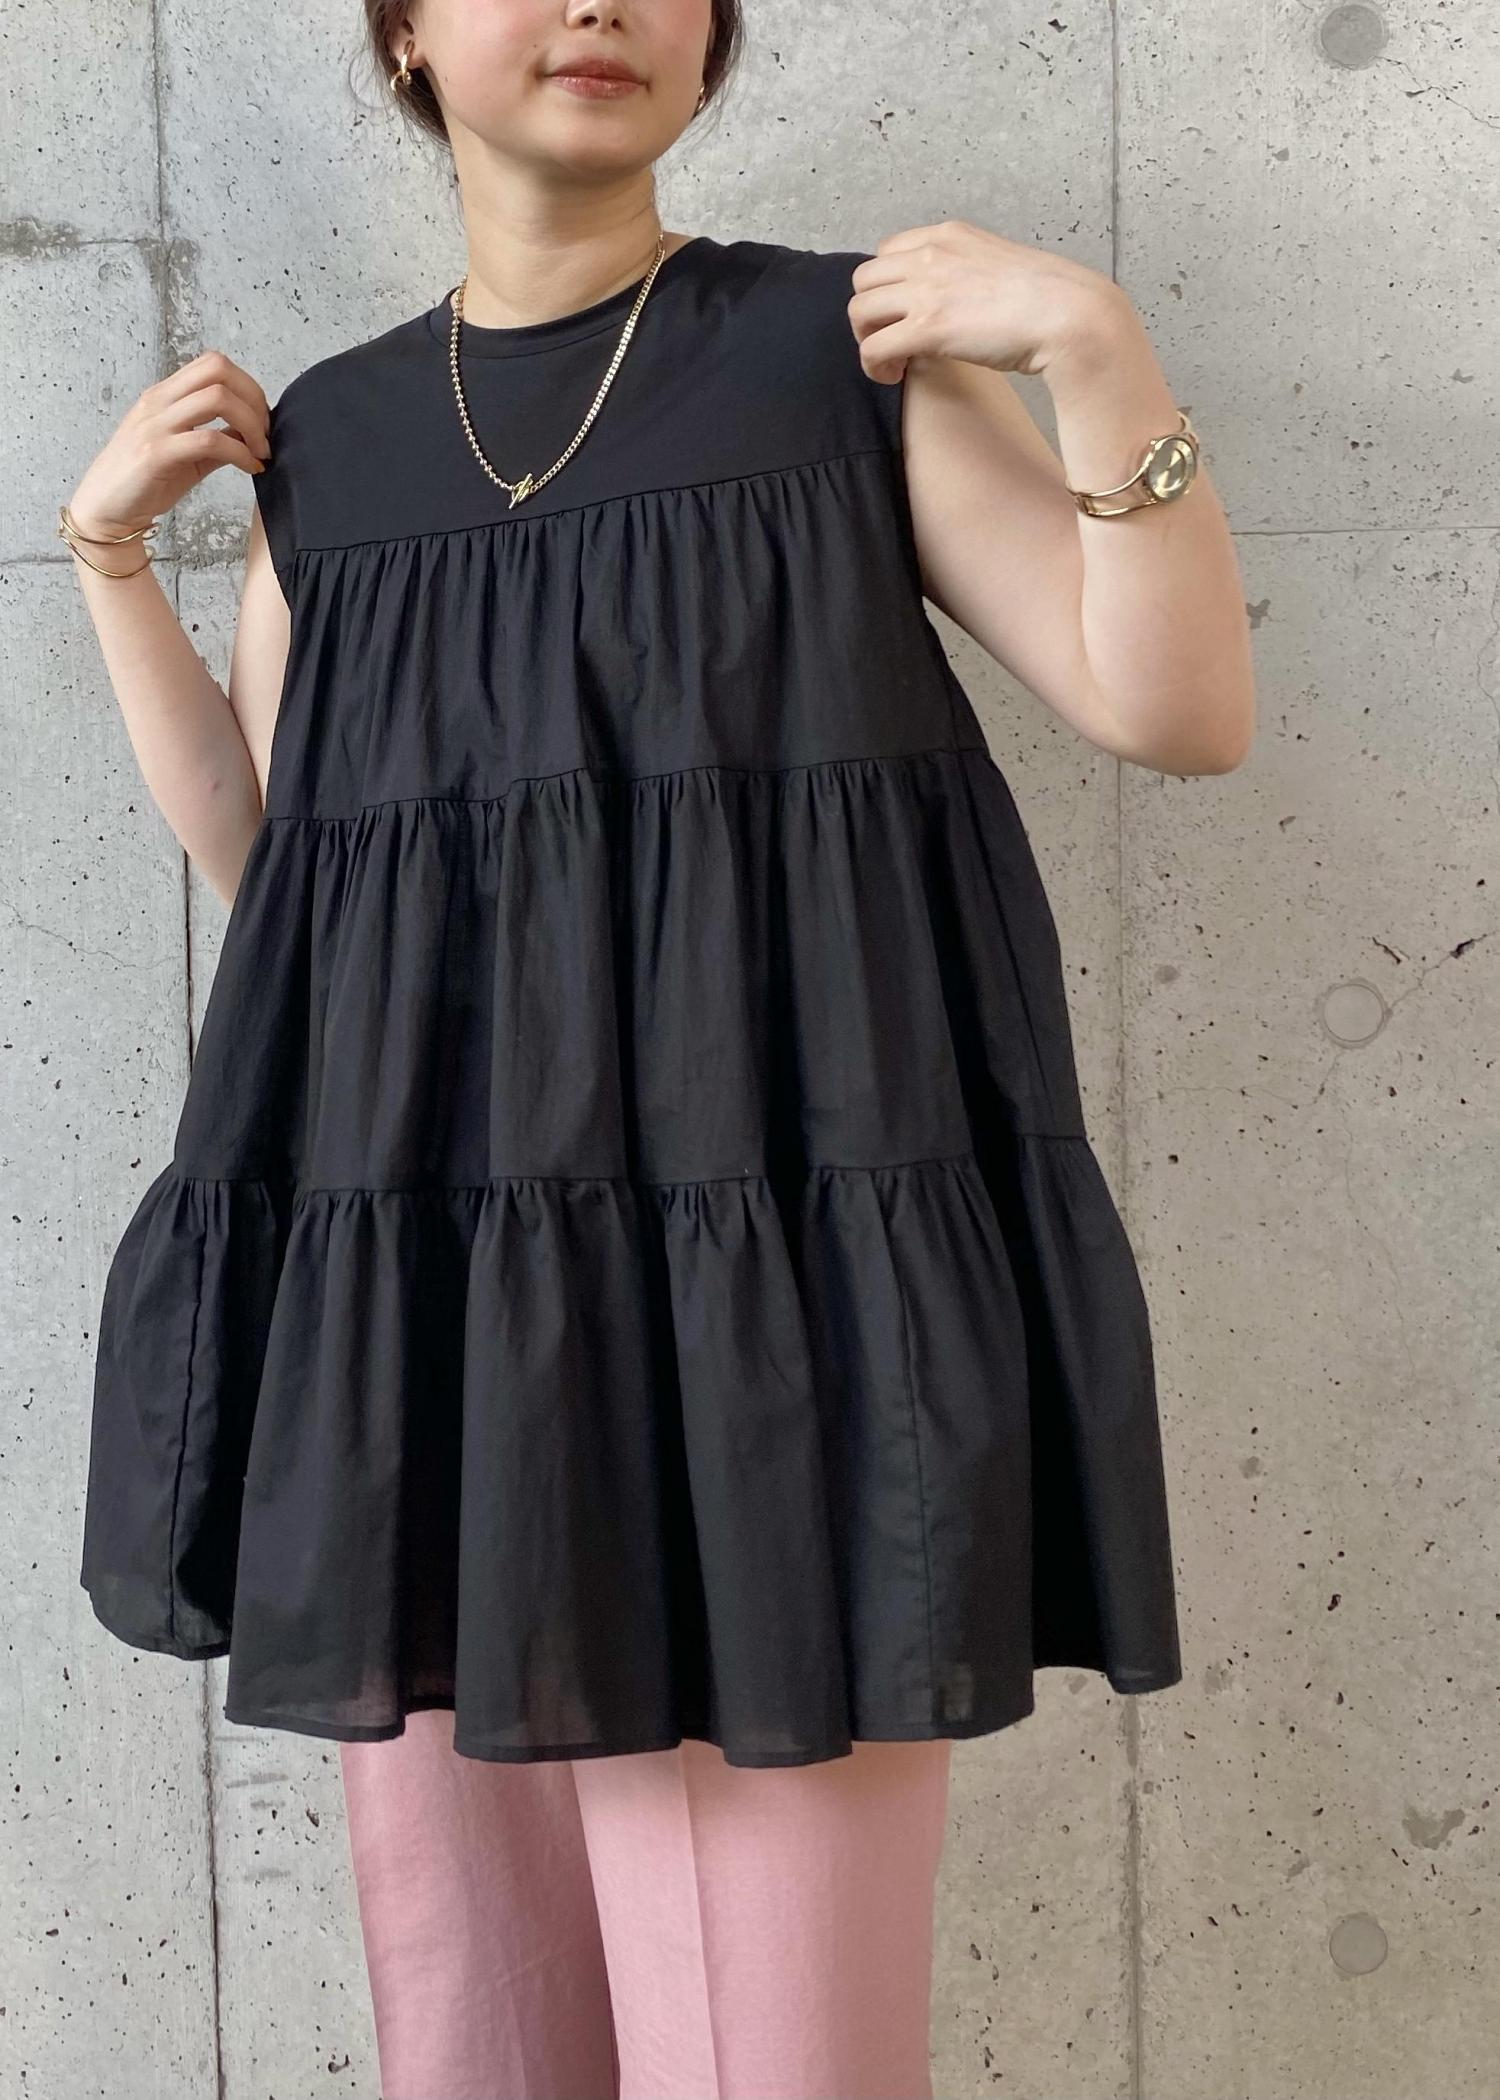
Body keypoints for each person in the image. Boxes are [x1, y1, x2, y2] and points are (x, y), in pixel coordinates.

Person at [68, 3, 1254, 2095]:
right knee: (480, 2023)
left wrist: (1095, 352)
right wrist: (108, 567)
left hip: (776, 1318)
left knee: (777, 2041)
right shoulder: (335, 442)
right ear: (407, 37)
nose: (601, 2)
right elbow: (292, 875)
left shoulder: (836, 356)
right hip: (445, 1333)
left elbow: (1174, 710)